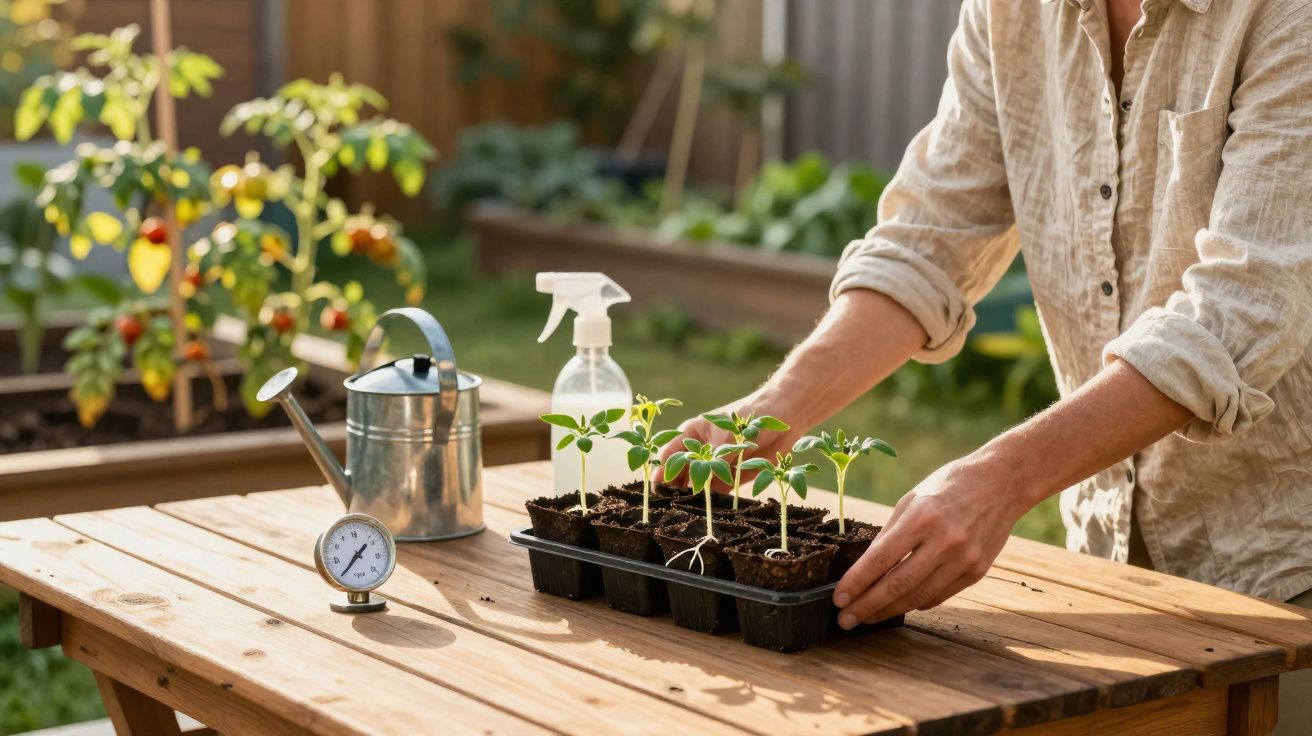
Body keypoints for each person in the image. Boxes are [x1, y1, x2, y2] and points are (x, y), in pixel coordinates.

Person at [661, 0, 1312, 731]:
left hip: (1283, 573)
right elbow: (930, 239)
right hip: (1107, 568)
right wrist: (770, 410)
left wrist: (1000, 480)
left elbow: (1243, 307)